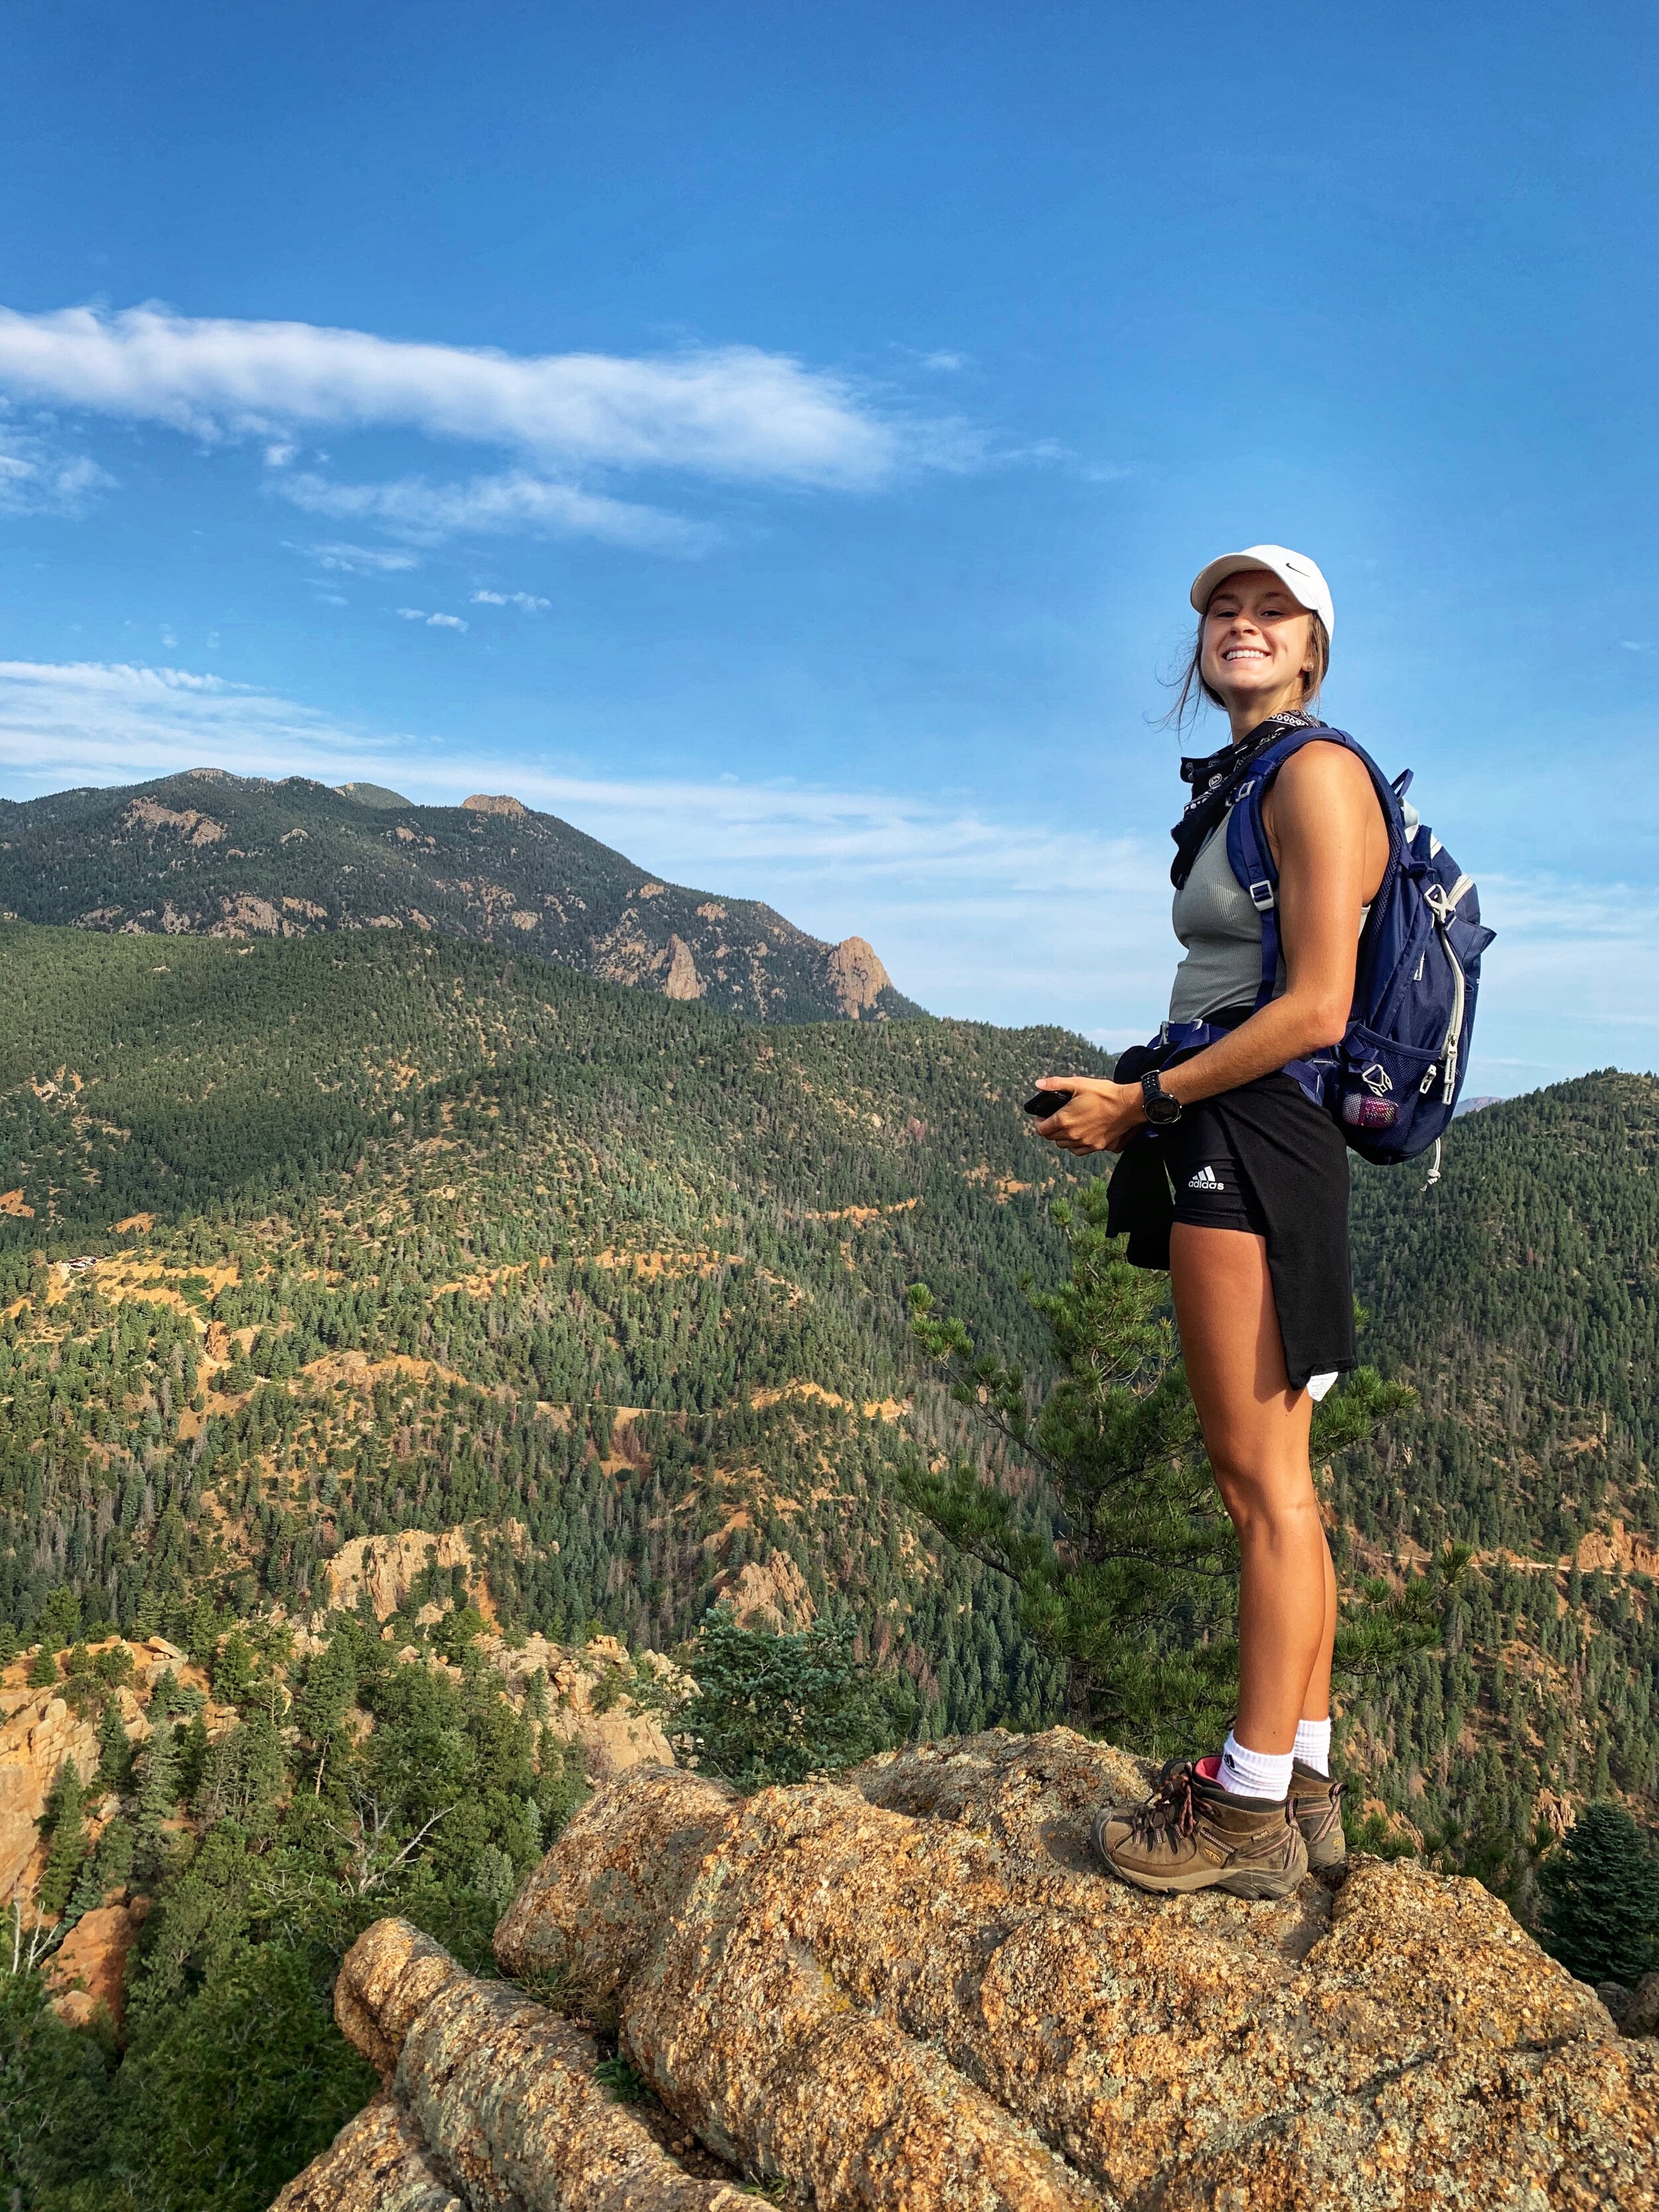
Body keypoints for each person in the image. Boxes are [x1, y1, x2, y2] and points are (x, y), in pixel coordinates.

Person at [1032, 544, 1386, 1899]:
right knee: (1281, 1483)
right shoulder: (1256, 776)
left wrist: (1144, 1101)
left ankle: (1239, 1803)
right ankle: (1298, 1774)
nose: (1238, 625)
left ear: (1310, 649)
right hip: (1248, 1133)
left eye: (1269, 611)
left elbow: (1313, 1008)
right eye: (1219, 612)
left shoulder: (1312, 776)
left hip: (1250, 1136)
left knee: (1257, 1489)